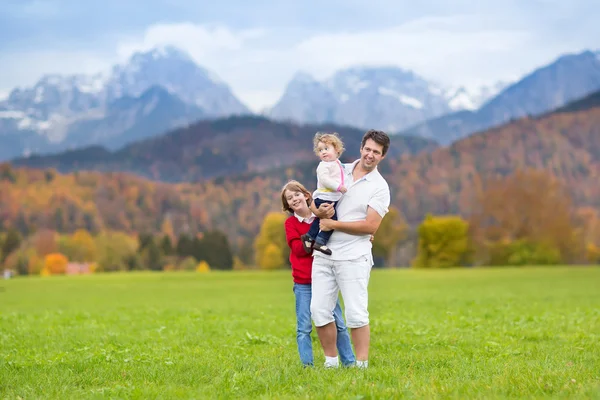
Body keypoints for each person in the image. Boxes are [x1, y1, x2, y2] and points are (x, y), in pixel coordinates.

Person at [309, 129, 391, 369]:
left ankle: (362, 366)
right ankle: (331, 363)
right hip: (323, 253)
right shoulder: (337, 168)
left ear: (382, 156)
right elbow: (316, 199)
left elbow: (370, 226)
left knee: (356, 312)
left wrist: (333, 224)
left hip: (354, 256)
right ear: (361, 148)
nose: (370, 155)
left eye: (376, 152)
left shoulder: (379, 187)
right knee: (319, 311)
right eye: (368, 149)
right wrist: (318, 212)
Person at [281, 180, 356, 367]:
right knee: (304, 327)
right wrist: (318, 238)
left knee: (339, 323)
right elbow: (298, 249)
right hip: (303, 282)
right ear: (288, 205)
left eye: (296, 194)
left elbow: (337, 236)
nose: (294, 199)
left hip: (326, 279)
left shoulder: (320, 218)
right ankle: (307, 367)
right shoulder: (291, 223)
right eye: (289, 198)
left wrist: (312, 240)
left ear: (307, 196)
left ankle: (349, 363)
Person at [300, 132, 347, 256]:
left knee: (321, 217)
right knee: (333, 219)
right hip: (325, 196)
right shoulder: (323, 166)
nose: (323, 152)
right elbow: (325, 180)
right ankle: (320, 241)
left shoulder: (337, 163)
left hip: (330, 197)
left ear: (336, 149)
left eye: (326, 148)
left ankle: (309, 236)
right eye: (320, 150)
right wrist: (339, 187)